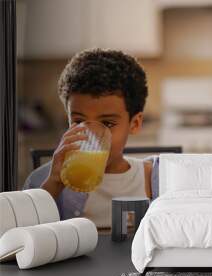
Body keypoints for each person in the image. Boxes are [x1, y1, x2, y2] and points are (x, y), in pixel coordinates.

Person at [23, 49, 159, 227]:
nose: (91, 136)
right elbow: (18, 238)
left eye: (108, 124)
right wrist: (53, 184)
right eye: (79, 121)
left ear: (134, 123)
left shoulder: (154, 179)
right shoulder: (43, 181)